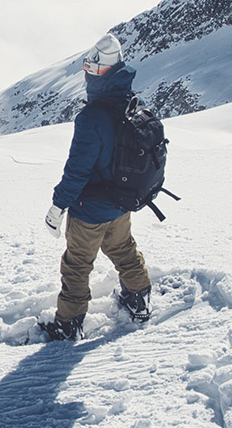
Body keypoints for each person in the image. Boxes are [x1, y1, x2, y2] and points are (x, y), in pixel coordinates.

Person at [42, 34, 151, 340]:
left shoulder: (92, 117)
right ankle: (138, 293)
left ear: (100, 72)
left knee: (77, 265)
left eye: (90, 66)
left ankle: (68, 322)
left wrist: (57, 206)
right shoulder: (130, 102)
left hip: (90, 209)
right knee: (123, 249)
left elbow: (77, 170)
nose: (87, 71)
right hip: (121, 201)